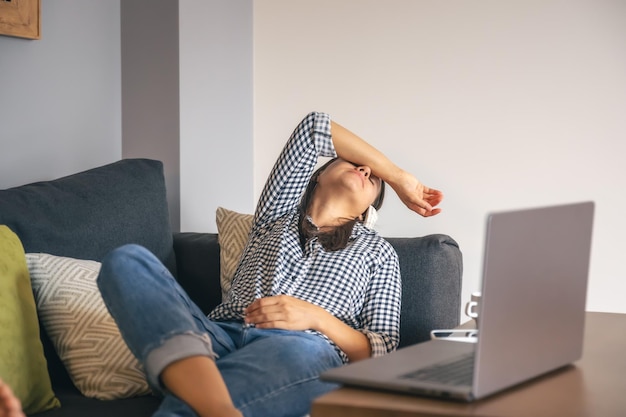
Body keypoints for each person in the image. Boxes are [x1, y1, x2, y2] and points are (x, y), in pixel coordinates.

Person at [97, 111, 443, 417]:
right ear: (317, 176)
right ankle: (213, 397)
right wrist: (398, 178)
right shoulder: (276, 215)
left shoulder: (378, 253)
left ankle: (199, 397)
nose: (366, 169)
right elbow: (313, 128)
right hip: (217, 338)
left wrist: (315, 317)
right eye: (353, 162)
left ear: (368, 209)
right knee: (126, 261)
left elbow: (381, 349)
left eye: (375, 180)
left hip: (301, 348)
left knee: (294, 352)